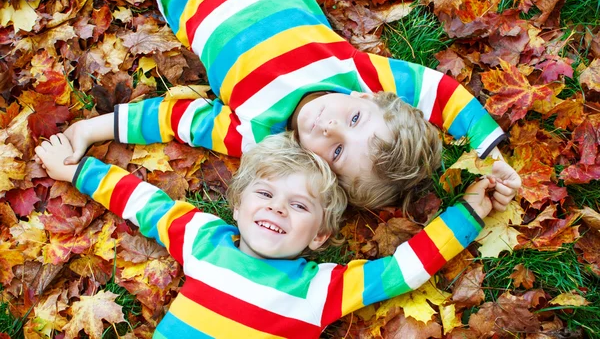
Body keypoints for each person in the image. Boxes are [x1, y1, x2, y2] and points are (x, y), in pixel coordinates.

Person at [64, 0, 521, 210]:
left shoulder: (256, 133)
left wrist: (90, 129)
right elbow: (438, 90)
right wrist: (492, 154)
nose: (329, 126)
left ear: (319, 169)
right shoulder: (355, 74)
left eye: (337, 150)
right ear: (368, 100)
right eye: (354, 121)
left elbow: (173, 119)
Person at [36, 131, 499, 338]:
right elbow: (141, 201)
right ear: (237, 206)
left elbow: (403, 270)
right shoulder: (203, 239)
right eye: (265, 194)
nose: (277, 207)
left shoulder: (320, 289)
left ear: (319, 236)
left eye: (299, 205)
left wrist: (472, 212)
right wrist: (78, 169)